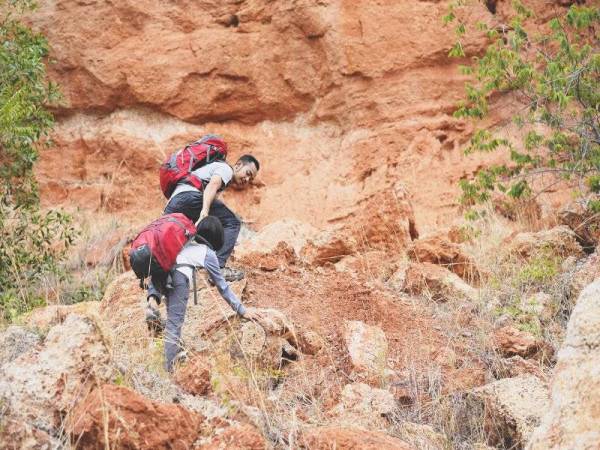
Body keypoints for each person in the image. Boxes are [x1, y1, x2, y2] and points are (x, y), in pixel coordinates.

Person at [146, 216, 264, 372]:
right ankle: (169, 372)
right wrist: (243, 310)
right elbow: (222, 287)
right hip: (179, 279)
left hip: (164, 274)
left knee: (171, 322)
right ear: (217, 238)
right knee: (174, 326)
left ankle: (152, 303)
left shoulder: (185, 242)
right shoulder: (208, 254)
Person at [164, 139, 260, 282]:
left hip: (174, 202)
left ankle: (170, 273)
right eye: (247, 173)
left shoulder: (212, 169)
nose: (246, 179)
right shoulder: (226, 169)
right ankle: (218, 269)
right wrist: (204, 211)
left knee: (189, 234)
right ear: (238, 165)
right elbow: (212, 185)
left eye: (250, 178)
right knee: (233, 222)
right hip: (190, 197)